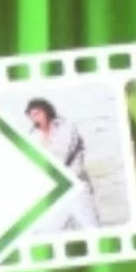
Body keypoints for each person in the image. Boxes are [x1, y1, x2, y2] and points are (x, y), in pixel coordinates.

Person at [25, 98, 102, 230]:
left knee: (92, 228)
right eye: (31, 115)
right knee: (46, 233)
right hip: (56, 192)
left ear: (46, 111)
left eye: (38, 113)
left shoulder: (66, 128)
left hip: (77, 187)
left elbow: (61, 156)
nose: (35, 118)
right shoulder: (33, 135)